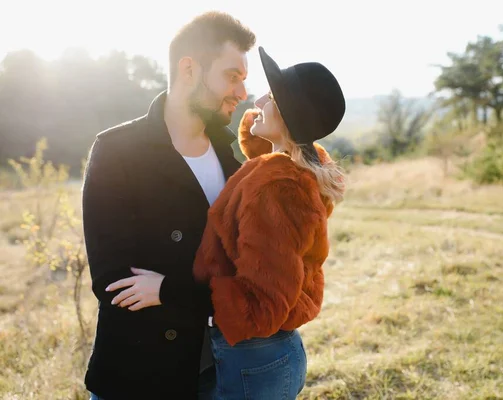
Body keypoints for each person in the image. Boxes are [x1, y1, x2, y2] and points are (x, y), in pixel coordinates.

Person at [112, 46, 347, 399]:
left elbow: (263, 301)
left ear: (286, 114)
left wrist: (167, 291)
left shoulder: (278, 188)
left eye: (272, 96)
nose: (260, 99)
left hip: (254, 360)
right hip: (268, 356)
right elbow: (262, 184)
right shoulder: (295, 171)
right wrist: (259, 133)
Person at [81, 11, 256, 400]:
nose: (242, 92)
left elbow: (249, 280)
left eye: (244, 79)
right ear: (190, 69)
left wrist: (168, 290)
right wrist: (212, 298)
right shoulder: (117, 152)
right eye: (232, 76)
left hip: (216, 373)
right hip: (137, 377)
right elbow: (114, 284)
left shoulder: (235, 162)